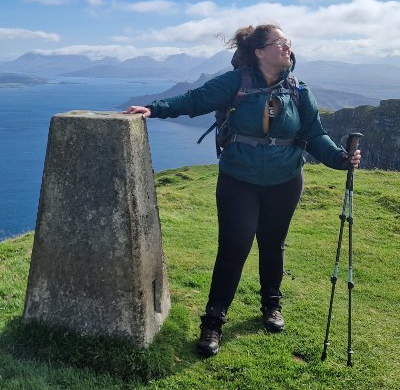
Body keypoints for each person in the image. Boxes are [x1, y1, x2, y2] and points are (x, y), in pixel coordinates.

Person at [123, 23, 361, 357]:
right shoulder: (235, 83)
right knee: (234, 247)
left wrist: (339, 157)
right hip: (239, 180)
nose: (287, 47)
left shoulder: (298, 90)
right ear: (259, 52)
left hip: (285, 181)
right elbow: (196, 99)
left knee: (273, 244)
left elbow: (314, 133)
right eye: (280, 42)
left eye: (288, 42)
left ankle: (271, 306)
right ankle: (213, 322)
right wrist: (155, 108)